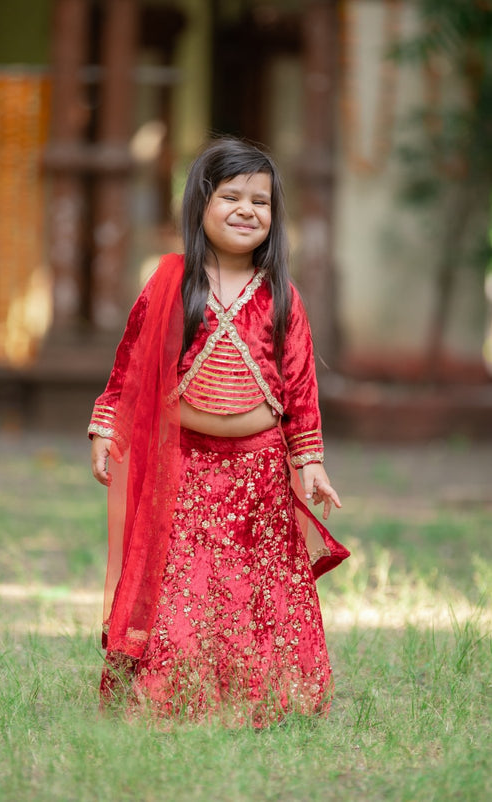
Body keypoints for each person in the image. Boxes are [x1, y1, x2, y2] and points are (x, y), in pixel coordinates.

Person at [88, 136, 349, 727]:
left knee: (255, 589)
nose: (247, 210)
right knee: (182, 585)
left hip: (258, 474)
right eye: (231, 196)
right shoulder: (174, 283)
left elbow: (301, 386)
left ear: (275, 219)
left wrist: (309, 462)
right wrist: (108, 423)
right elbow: (132, 359)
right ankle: (170, 696)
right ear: (200, 204)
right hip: (182, 469)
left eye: (261, 202)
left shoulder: (283, 294)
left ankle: (259, 699)